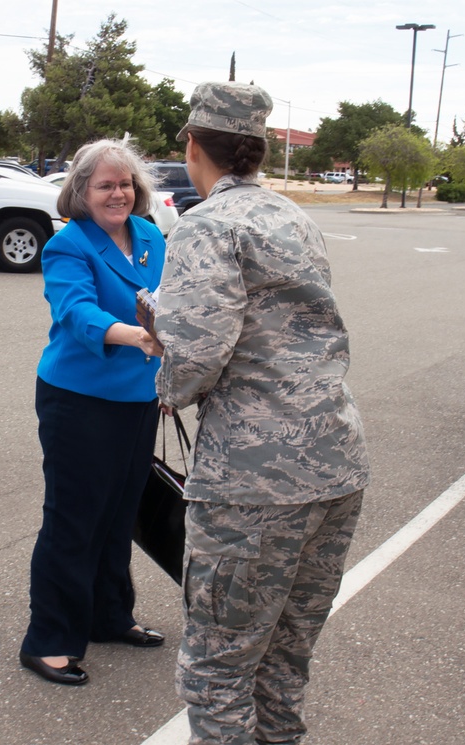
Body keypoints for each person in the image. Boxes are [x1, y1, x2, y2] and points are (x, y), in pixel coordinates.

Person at [154, 82, 371, 743]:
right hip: (335, 462)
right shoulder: (291, 216)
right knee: (283, 659)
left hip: (254, 483)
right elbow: (277, 322)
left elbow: (194, 361)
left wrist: (166, 367)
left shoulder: (205, 225)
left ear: (193, 146)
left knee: (218, 673)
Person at [20, 138, 167, 687]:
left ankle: (109, 616)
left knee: (119, 512)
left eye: (125, 183)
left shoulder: (151, 235)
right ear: (81, 191)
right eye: (105, 184)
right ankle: (49, 639)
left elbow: (168, 300)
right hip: (78, 399)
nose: (118, 193)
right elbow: (76, 310)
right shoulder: (68, 246)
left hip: (138, 397)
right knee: (73, 517)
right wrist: (130, 334)